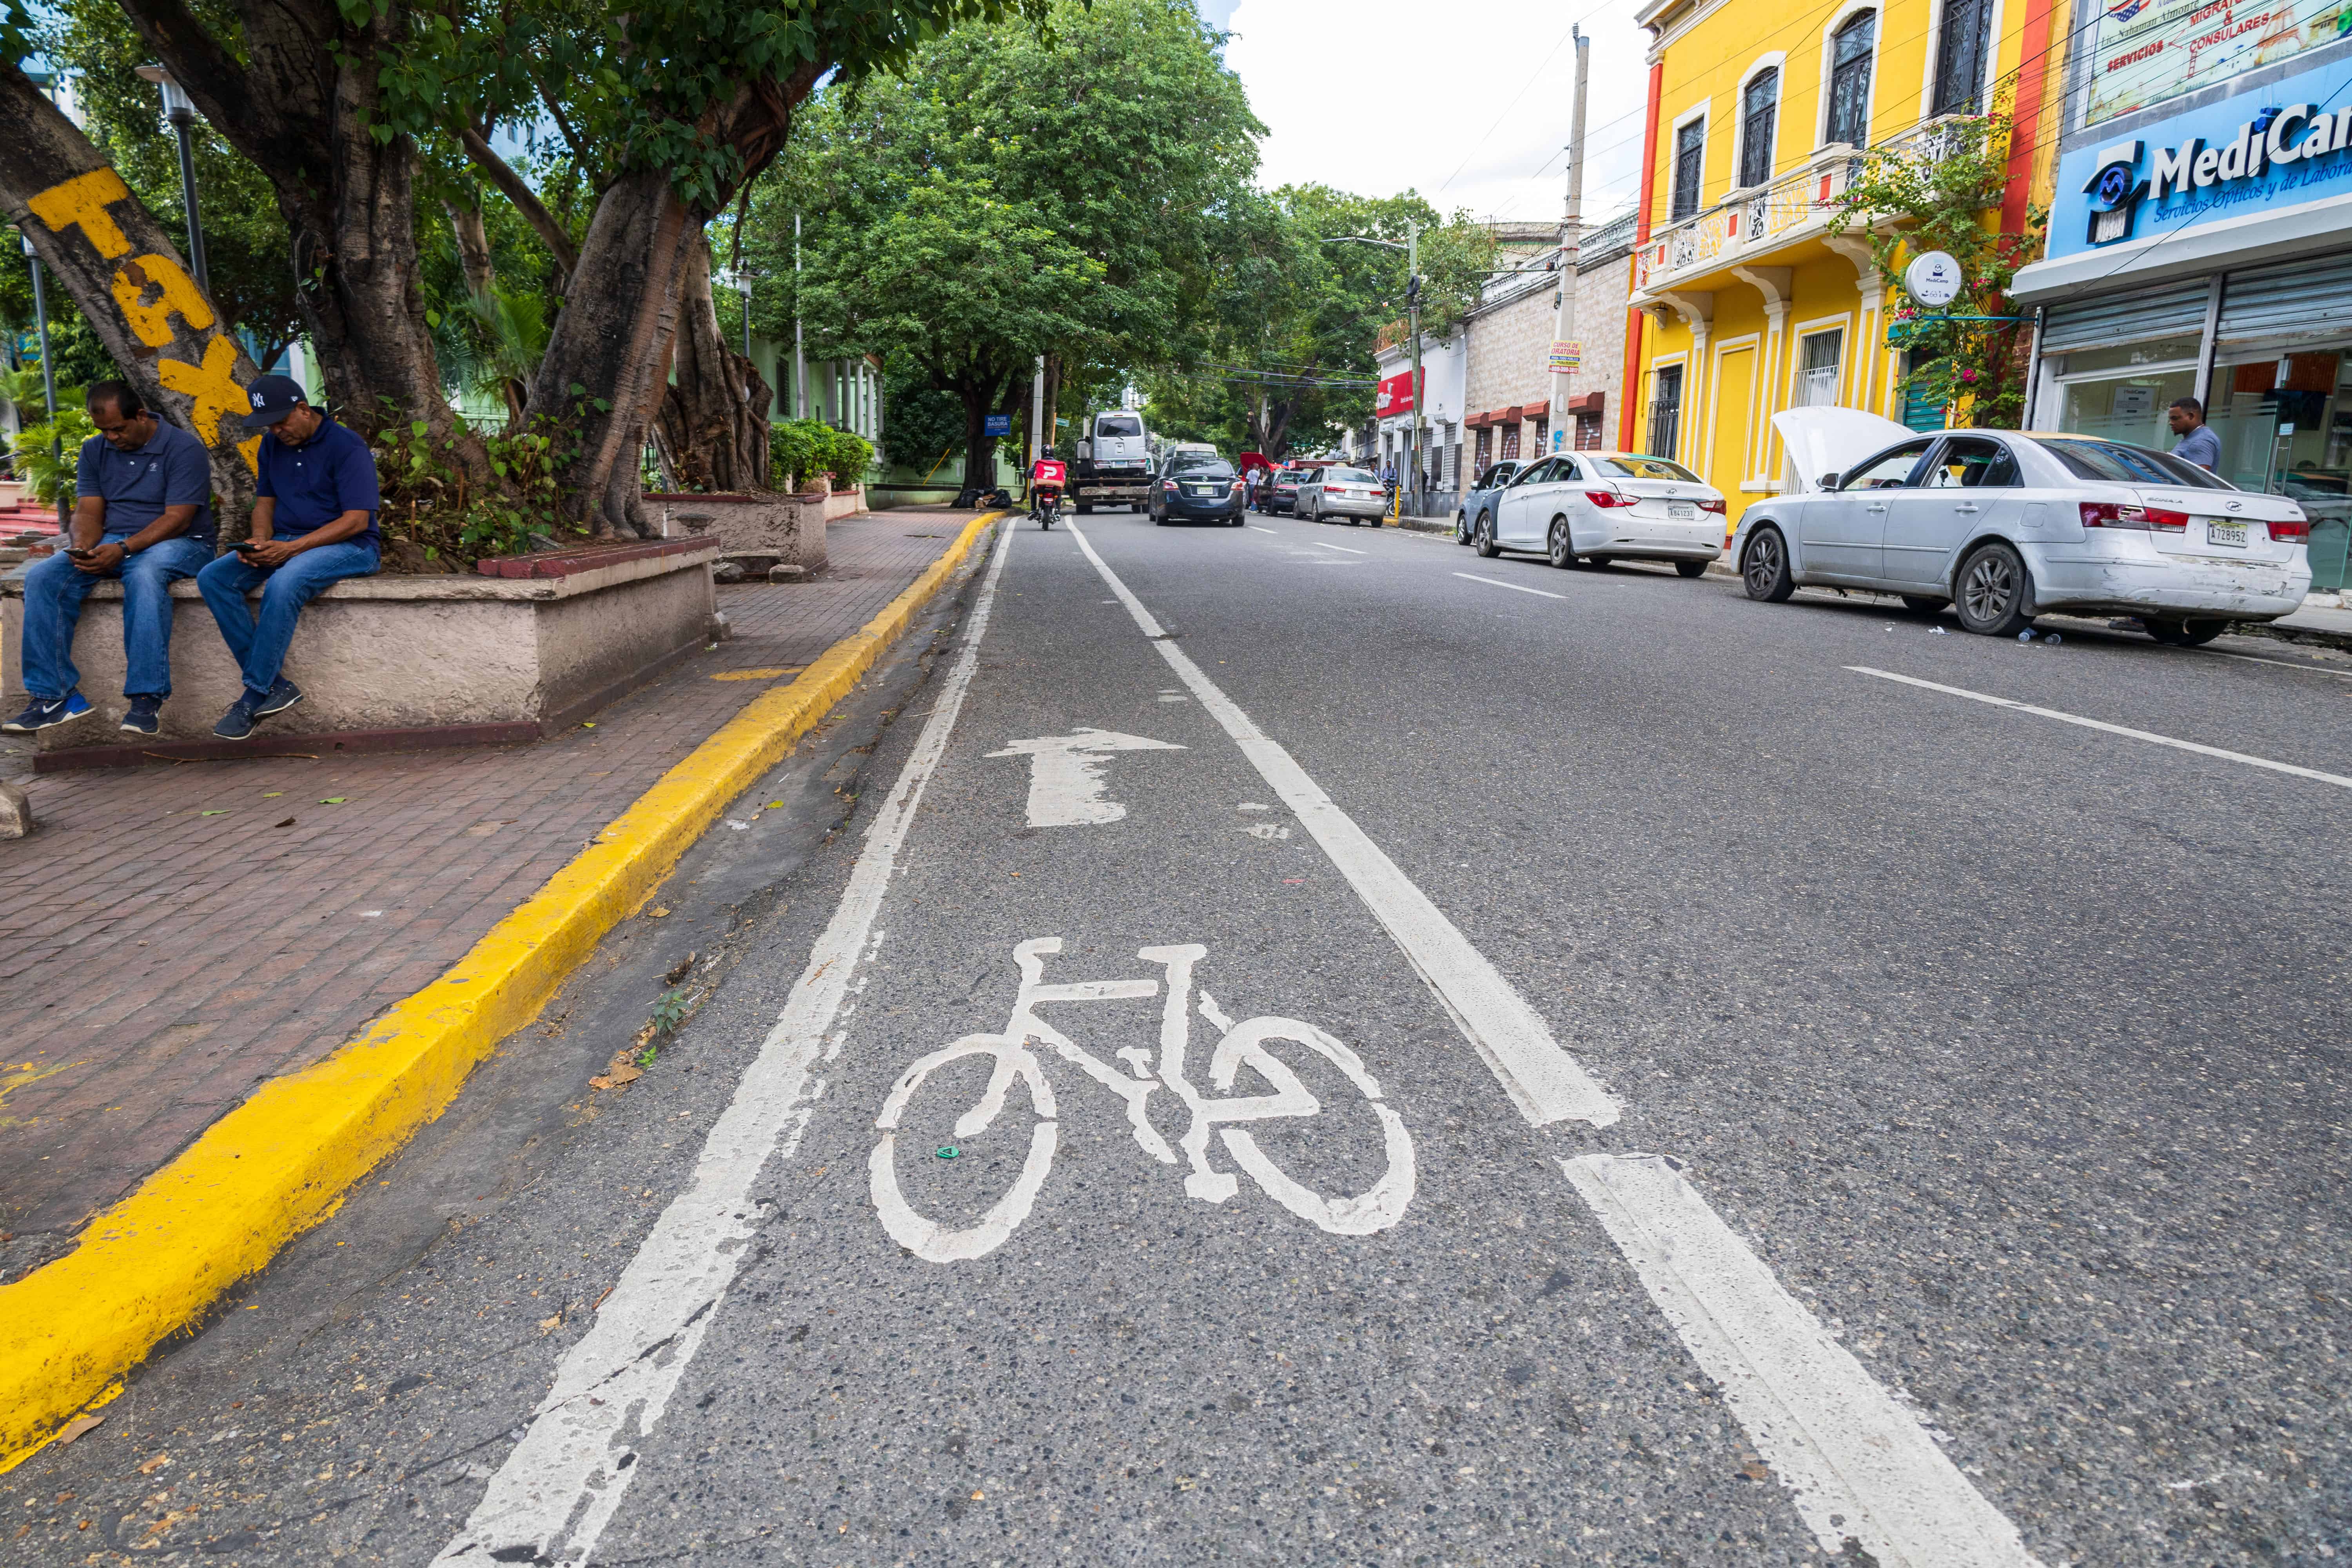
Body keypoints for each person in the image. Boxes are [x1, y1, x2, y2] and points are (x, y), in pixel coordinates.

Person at [4, 382, 216, 737]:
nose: (112, 437)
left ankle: (146, 698)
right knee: (43, 577)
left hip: (184, 542)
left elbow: (178, 517)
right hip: (116, 542)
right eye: (104, 430)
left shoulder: (183, 448)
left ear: (141, 415)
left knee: (145, 572)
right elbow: (88, 511)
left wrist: (124, 549)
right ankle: (54, 697)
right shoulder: (94, 450)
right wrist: (86, 548)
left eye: (119, 429)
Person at [195, 374, 381, 739]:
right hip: (285, 541)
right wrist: (262, 540)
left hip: (351, 547)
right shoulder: (272, 446)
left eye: (282, 422)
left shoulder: (347, 445)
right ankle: (276, 686)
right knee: (213, 578)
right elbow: (264, 502)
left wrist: (292, 549)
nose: (277, 431)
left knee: (286, 581)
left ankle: (253, 695)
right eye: (269, 425)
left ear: (303, 409)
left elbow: (357, 520)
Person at [2168, 397, 2221, 471]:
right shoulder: (2195, 437)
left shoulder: (2201, 442)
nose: (2171, 423)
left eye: (2175, 418)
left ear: (2191, 416)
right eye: (2170, 419)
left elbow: (2199, 478)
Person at [1028, 453, 1066, 528]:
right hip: (1055, 488)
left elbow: (1030, 474)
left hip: (1041, 488)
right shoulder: (1059, 464)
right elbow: (1064, 475)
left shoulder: (1039, 463)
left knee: (1033, 491)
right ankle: (1058, 511)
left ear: (1043, 453)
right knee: (1059, 493)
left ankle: (1033, 511)